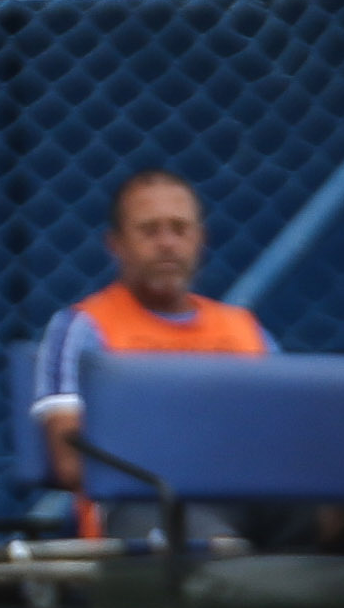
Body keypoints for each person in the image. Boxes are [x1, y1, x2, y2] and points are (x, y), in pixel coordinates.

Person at [30, 169, 274, 538]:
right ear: (116, 244)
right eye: (149, 230)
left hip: (257, 498)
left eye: (179, 229)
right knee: (209, 541)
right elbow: (70, 461)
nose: (167, 243)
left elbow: (287, 441)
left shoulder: (245, 329)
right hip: (147, 503)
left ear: (200, 238)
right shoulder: (84, 327)